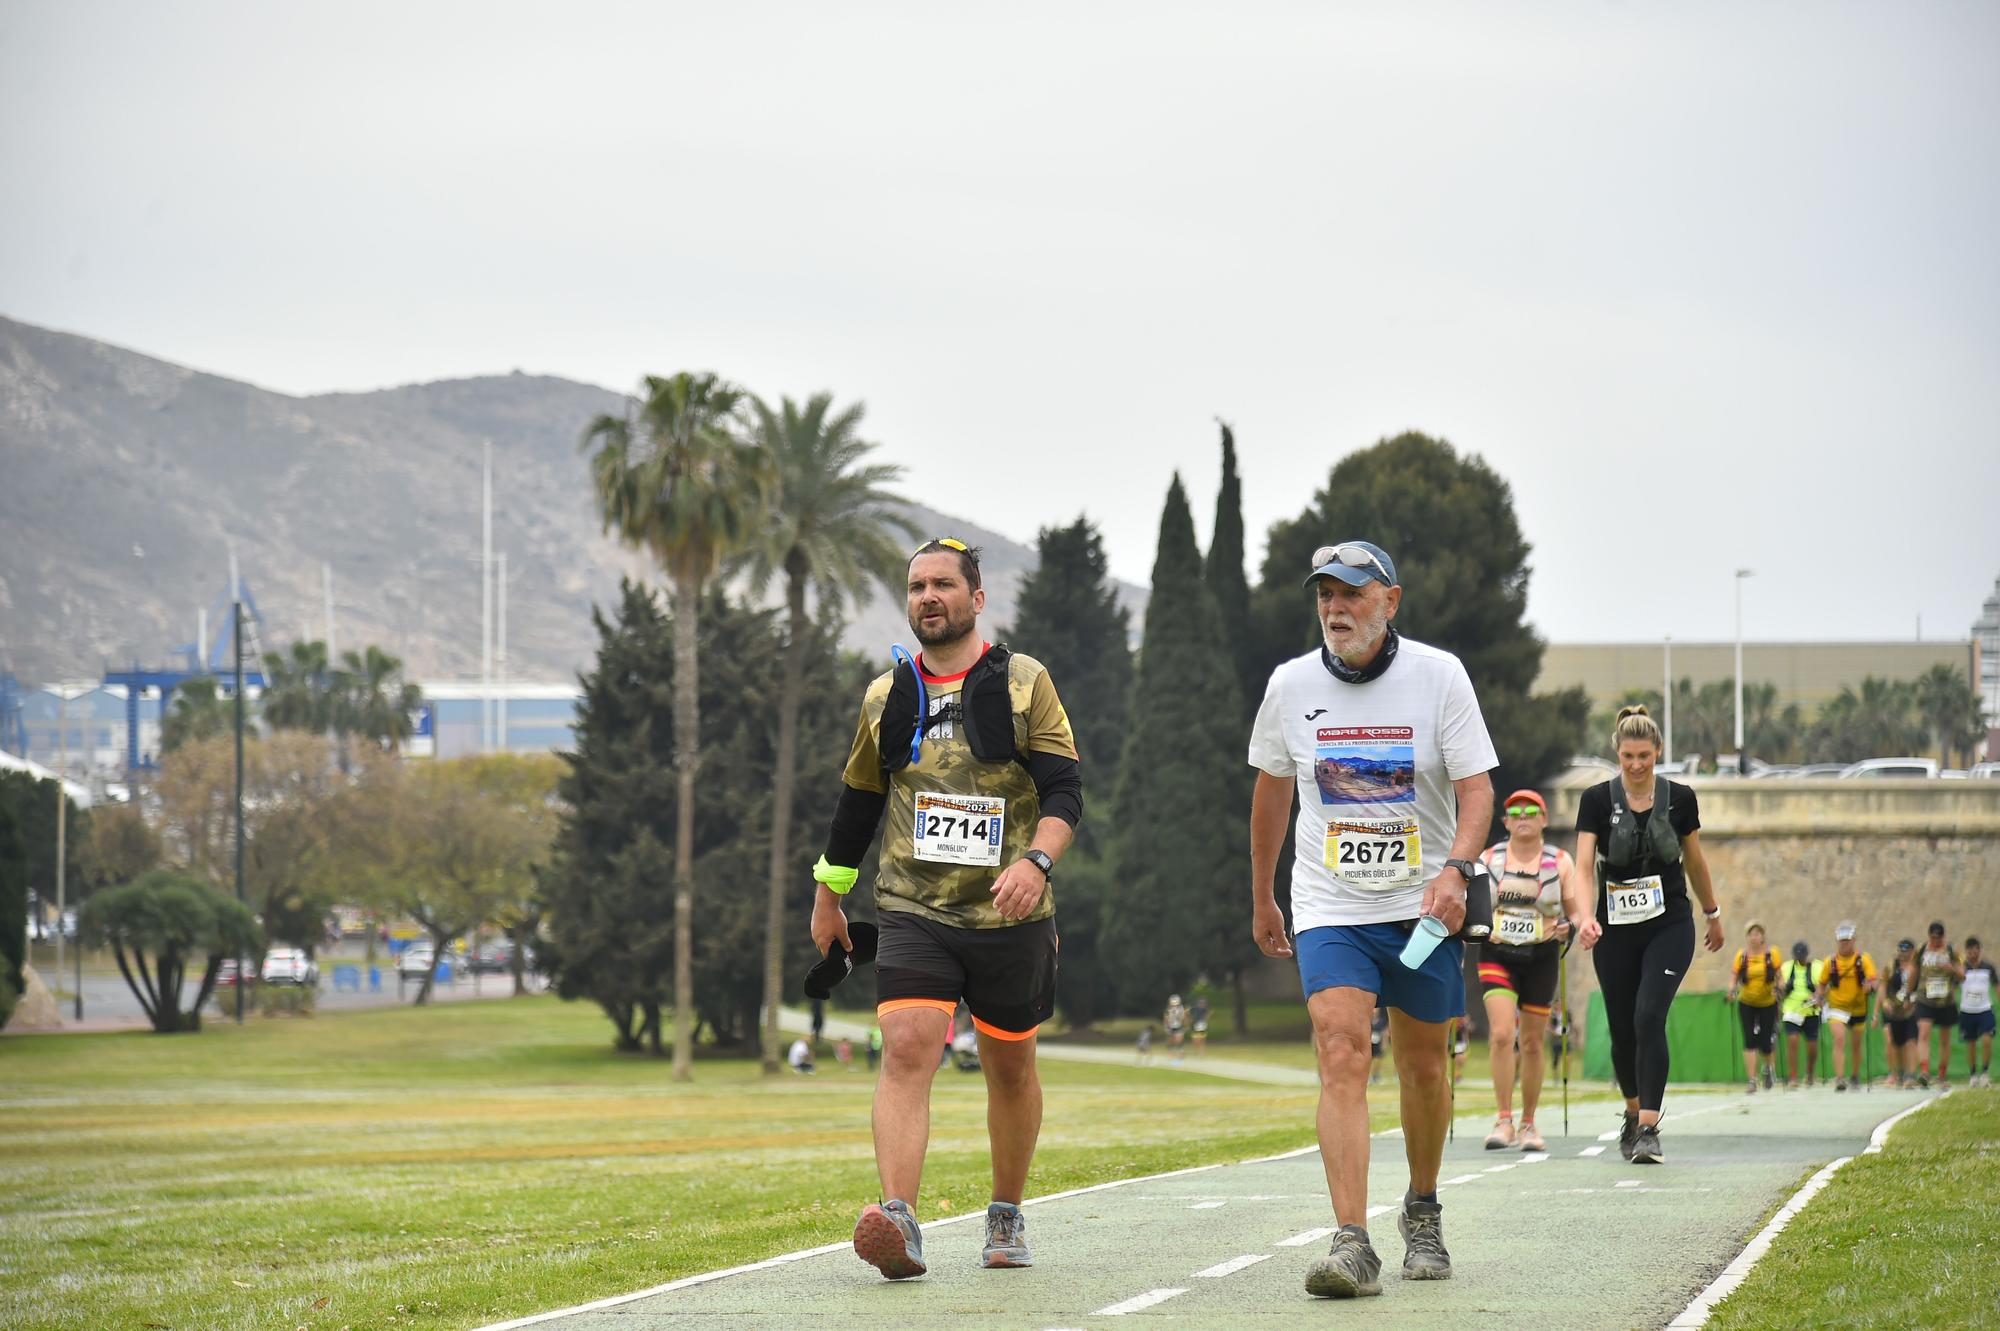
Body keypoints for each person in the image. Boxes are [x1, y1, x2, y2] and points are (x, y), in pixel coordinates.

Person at [809, 538, 1083, 1280]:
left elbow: (1064, 793)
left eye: (942, 584)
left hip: (1010, 914)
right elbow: (858, 806)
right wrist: (828, 896)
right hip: (912, 907)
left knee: (1011, 1066)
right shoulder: (885, 697)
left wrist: (1037, 860)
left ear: (976, 597)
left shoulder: (1025, 683)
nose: (928, 596)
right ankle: (898, 1217)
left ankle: (1006, 1211)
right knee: (905, 1047)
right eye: (916, 586)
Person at [1248, 539, 1497, 1298]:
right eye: (1325, 594)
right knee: (1341, 1051)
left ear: (1391, 600)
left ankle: (1422, 1208)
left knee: (1424, 1064)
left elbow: (1478, 790)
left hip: (1422, 908)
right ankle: (1351, 1239)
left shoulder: (1439, 676)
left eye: (1352, 593)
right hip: (1331, 907)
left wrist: (1456, 871)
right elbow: (1272, 794)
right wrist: (1264, 893)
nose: (1336, 608)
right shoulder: (1289, 685)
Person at [1571, 705, 1723, 1165]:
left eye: (1644, 755)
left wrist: (1712, 912)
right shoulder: (1596, 800)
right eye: (1627, 756)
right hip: (1614, 926)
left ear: (1658, 752)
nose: (1636, 765)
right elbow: (1582, 864)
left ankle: (1650, 1127)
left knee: (1649, 1013)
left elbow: (1694, 861)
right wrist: (1583, 915)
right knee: (1622, 1028)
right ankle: (1632, 1110)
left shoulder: (1680, 799)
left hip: (1669, 921)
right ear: (1617, 754)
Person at [1476, 788, 1578, 1152]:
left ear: (1544, 820)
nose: (1523, 816)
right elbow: (1477, 908)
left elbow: (1574, 909)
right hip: (1498, 953)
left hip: (1542, 956)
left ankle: (1529, 1123)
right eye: (1515, 811)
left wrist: (1574, 925)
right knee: (1503, 1033)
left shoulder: (1560, 861)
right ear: (1505, 822)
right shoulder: (1490, 859)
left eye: (1531, 810)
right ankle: (1503, 1120)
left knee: (1533, 1041)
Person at [1814, 922, 1879, 1091]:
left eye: (1847, 940)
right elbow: (1822, 984)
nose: (1845, 943)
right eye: (1842, 941)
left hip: (1858, 1008)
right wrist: (1819, 997)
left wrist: (1870, 987)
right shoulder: (1830, 962)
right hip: (1837, 1007)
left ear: (1854, 940)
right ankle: (1840, 1078)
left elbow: (1874, 980)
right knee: (1840, 1039)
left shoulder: (1863, 959)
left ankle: (1855, 1076)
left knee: (1856, 1045)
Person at [1725, 921, 1782, 1093]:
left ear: (1762, 936)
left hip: (1768, 1003)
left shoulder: (1772, 954)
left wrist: (1779, 988)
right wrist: (1731, 991)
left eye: (1757, 933)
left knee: (1766, 1040)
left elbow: (1780, 977)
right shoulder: (1742, 956)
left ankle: (1769, 1070)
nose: (1754, 937)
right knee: (1749, 1040)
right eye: (1751, 934)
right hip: (1747, 1002)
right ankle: (1752, 1080)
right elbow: (1734, 977)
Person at [1912, 921, 1962, 1089]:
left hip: (1945, 1000)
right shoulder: (1921, 950)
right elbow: (1914, 971)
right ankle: (1925, 1072)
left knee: (1944, 1040)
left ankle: (1942, 1075)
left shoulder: (1951, 951)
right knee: (1923, 1032)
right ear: (1929, 936)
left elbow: (1963, 974)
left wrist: (1951, 967)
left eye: (1938, 938)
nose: (1935, 941)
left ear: (1943, 936)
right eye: (1932, 938)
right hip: (1925, 998)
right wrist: (1908, 993)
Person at [1777, 941, 1822, 1089]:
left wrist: (1816, 997)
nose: (1800, 959)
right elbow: (1779, 987)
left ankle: (1809, 1072)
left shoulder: (1817, 967)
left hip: (1811, 1012)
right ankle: (1793, 1076)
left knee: (1812, 1045)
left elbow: (1824, 987)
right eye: (1797, 956)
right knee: (1793, 1040)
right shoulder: (1786, 967)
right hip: (1792, 1011)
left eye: (1802, 956)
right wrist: (1780, 989)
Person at [1880, 940, 1920, 1089]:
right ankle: (1900, 1072)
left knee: (1911, 1041)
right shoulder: (1891, 966)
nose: (1903, 954)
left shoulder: (1917, 968)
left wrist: (1915, 1000)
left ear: (1913, 951)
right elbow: (1883, 985)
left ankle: (1910, 1074)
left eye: (1907, 950)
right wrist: (1884, 1002)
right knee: (1896, 1043)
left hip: (1912, 1010)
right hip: (1894, 1011)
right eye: (1901, 950)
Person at [1958, 937, 1995, 1087]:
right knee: (1971, 1043)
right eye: (1970, 950)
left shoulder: (1988, 968)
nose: (1973, 953)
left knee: (1986, 1040)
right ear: (1966, 952)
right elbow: (1954, 985)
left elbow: (1997, 985)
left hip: (1985, 1009)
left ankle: (1985, 1073)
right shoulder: (1961, 969)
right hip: (1967, 1011)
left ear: (1979, 950)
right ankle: (1973, 1075)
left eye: (1976, 950)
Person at [1164, 994, 1190, 1065]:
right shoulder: (1168, 1009)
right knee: (1171, 1041)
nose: (1174, 1005)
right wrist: (1166, 1026)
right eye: (1173, 1003)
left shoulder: (1181, 1009)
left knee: (1178, 1041)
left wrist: (1186, 1024)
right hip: (1171, 1027)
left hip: (1179, 1027)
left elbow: (1184, 1018)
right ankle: (1170, 1054)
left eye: (1176, 1003)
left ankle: (1181, 1054)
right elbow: (1166, 1018)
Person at [1370, 1005, 1389, 1085]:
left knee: (1378, 1060)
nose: (1375, 1011)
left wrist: (1384, 1044)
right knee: (1369, 1061)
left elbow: (1384, 1033)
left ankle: (1376, 1075)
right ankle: (1369, 1077)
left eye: (1376, 1009)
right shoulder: (1368, 1021)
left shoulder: (1381, 1021)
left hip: (1378, 1043)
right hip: (1370, 1044)